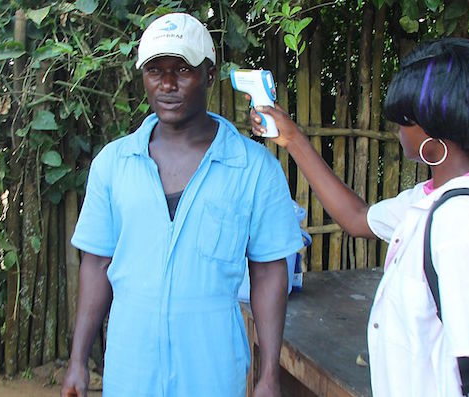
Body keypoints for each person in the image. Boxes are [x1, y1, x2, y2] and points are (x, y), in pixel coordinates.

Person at [250, 38, 469, 396]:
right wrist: (293, 138)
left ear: (434, 132)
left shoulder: (465, 224)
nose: (397, 130)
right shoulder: (437, 200)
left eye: (405, 121)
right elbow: (357, 218)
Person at [60, 13, 303, 397]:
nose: (168, 84)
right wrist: (77, 360)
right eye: (155, 70)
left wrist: (269, 373)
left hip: (213, 370)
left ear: (209, 74)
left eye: (183, 70)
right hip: (130, 368)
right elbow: (97, 263)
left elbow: (270, 271)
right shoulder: (113, 164)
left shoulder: (254, 169)